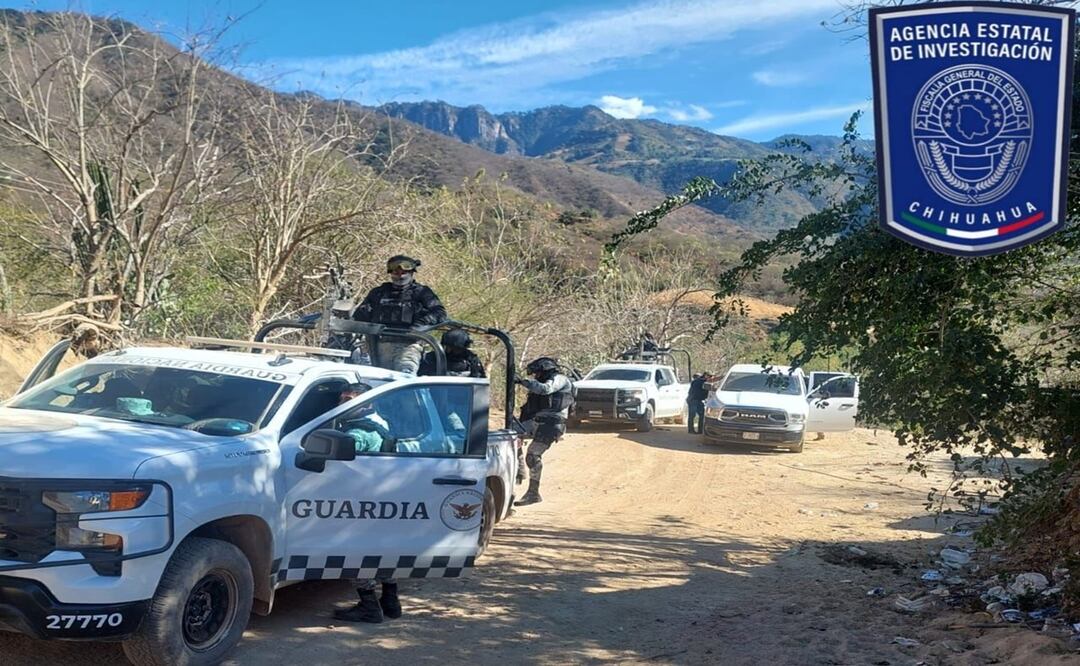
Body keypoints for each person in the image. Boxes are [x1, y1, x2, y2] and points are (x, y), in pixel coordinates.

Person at [331, 383, 401, 624]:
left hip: (360, 501)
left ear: (367, 403)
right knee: (382, 552)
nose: (342, 404)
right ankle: (391, 601)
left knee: (353, 554)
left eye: (349, 399)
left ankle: (369, 605)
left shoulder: (358, 433)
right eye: (342, 399)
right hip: (381, 498)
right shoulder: (381, 423)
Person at [353, 255, 447, 375]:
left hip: (409, 345)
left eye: (404, 272)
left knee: (404, 377)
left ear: (412, 273)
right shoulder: (379, 292)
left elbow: (439, 312)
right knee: (376, 380)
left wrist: (419, 325)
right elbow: (359, 315)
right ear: (391, 274)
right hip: (379, 346)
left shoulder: (422, 292)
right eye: (396, 273)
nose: (400, 276)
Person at [514, 356, 574, 506]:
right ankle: (519, 471)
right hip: (536, 420)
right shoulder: (539, 384)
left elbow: (546, 389)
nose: (536, 377)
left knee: (533, 455)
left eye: (537, 373)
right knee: (509, 436)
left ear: (545, 371)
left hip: (552, 423)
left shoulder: (560, 380)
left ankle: (533, 493)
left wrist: (523, 381)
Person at [419, 328, 486, 378]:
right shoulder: (433, 357)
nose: (449, 349)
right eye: (447, 346)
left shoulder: (471, 359)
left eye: (455, 348)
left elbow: (479, 380)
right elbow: (423, 376)